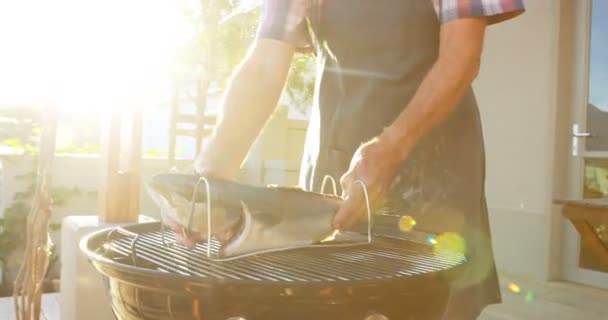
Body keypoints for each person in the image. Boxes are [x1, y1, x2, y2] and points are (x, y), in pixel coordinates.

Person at [170, 0, 525, 318]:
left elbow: (461, 55)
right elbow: (265, 64)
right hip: (333, 165)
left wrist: (391, 147)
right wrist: (211, 173)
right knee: (325, 301)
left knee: (428, 303)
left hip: (433, 173)